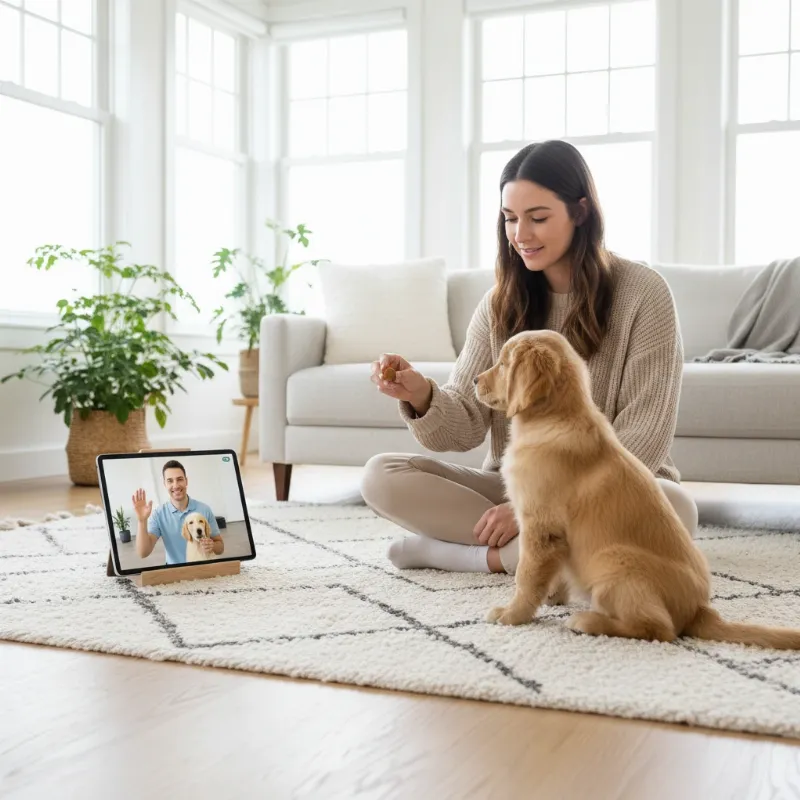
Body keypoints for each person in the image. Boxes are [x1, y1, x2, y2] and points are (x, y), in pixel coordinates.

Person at [361, 139, 698, 576]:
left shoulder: (644, 294)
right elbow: (464, 423)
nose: (521, 235)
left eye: (538, 218)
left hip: (610, 491)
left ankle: (464, 556)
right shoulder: (500, 303)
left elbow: (643, 436)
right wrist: (421, 393)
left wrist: (543, 508)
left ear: (580, 212)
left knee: (676, 510)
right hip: (515, 485)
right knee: (380, 475)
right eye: (510, 219)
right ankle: (541, 554)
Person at [132, 460, 223, 565]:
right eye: (170, 481)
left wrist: (213, 545)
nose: (175, 485)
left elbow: (220, 547)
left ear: (186, 481)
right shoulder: (158, 514)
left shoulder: (204, 509)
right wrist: (142, 521)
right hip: (174, 572)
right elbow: (143, 553)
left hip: (203, 569)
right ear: (165, 484)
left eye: (179, 479)